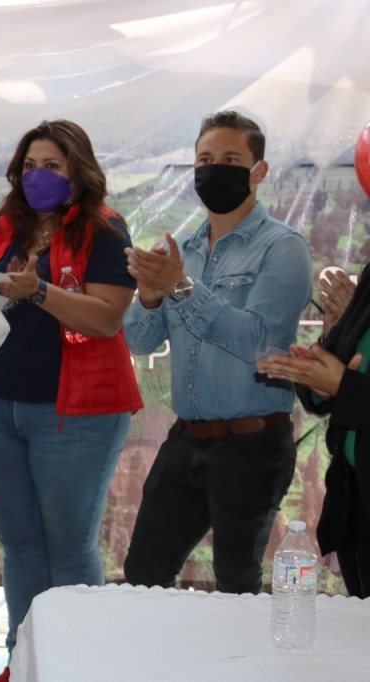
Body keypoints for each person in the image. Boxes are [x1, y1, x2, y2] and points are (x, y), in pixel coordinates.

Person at [0, 119, 142, 682]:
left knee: (68, 548)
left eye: (52, 166)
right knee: (20, 546)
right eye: (30, 166)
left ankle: (76, 668)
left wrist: (37, 290)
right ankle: (23, 661)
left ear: (78, 174)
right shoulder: (1, 228)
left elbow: (105, 318)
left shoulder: (105, 230)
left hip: (76, 414)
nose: (38, 176)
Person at [122, 110, 313, 595]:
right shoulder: (182, 250)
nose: (214, 170)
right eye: (204, 160)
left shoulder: (283, 248)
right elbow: (140, 342)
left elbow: (259, 342)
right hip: (186, 439)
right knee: (143, 576)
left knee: (236, 585)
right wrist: (149, 296)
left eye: (230, 159)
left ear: (259, 171)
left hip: (253, 445)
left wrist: (182, 288)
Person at [258, 265, 369, 598]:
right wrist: (317, 371)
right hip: (354, 496)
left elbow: (348, 384)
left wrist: (344, 386)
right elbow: (343, 365)